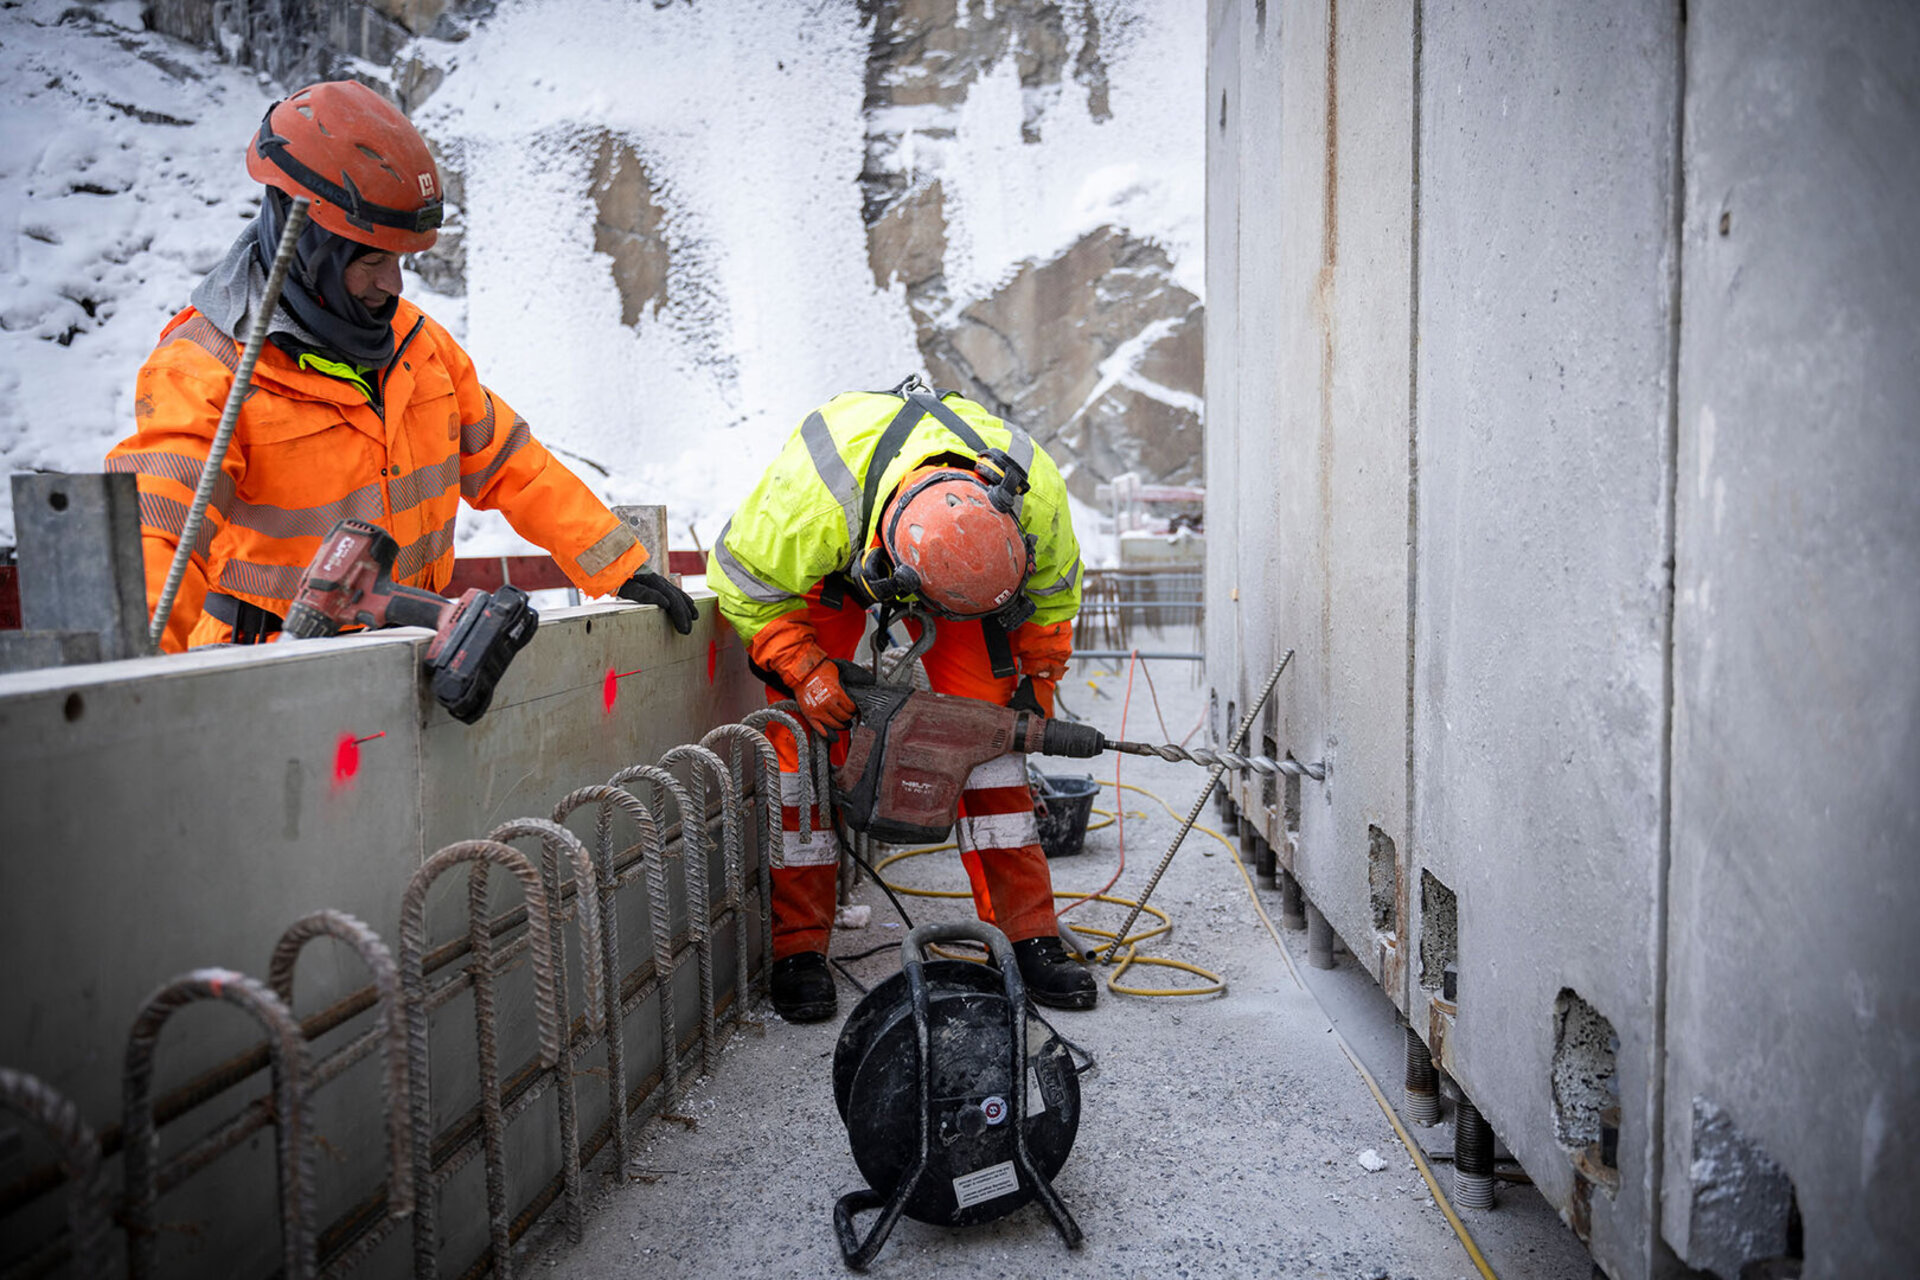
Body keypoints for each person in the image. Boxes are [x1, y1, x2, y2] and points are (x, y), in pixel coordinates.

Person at [108, 80, 695, 651]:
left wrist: (617, 567)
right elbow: (158, 528)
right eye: (369, 262)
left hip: (410, 658)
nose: (392, 285)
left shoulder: (420, 345)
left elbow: (512, 464)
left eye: (398, 261)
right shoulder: (205, 371)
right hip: (267, 673)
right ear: (308, 244)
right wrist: (139, 693)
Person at [709, 376, 1095, 1021]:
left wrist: (1040, 677)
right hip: (832, 567)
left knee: (992, 732)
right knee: (799, 749)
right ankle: (799, 946)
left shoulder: (1035, 499)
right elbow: (744, 587)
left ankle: (1028, 934)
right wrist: (804, 668)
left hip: (972, 580)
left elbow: (1054, 601)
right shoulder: (809, 504)